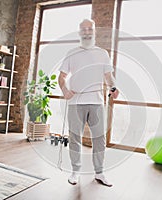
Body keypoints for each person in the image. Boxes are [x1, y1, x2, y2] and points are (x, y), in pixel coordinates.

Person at [58, 19, 118, 187]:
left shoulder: (102, 53)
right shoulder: (72, 53)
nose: (86, 31)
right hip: (76, 103)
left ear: (94, 31)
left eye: (89, 28)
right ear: (79, 32)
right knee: (75, 137)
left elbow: (108, 76)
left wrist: (113, 87)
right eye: (83, 29)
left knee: (99, 139)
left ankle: (99, 172)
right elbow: (61, 76)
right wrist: (65, 91)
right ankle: (75, 171)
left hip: (97, 102)